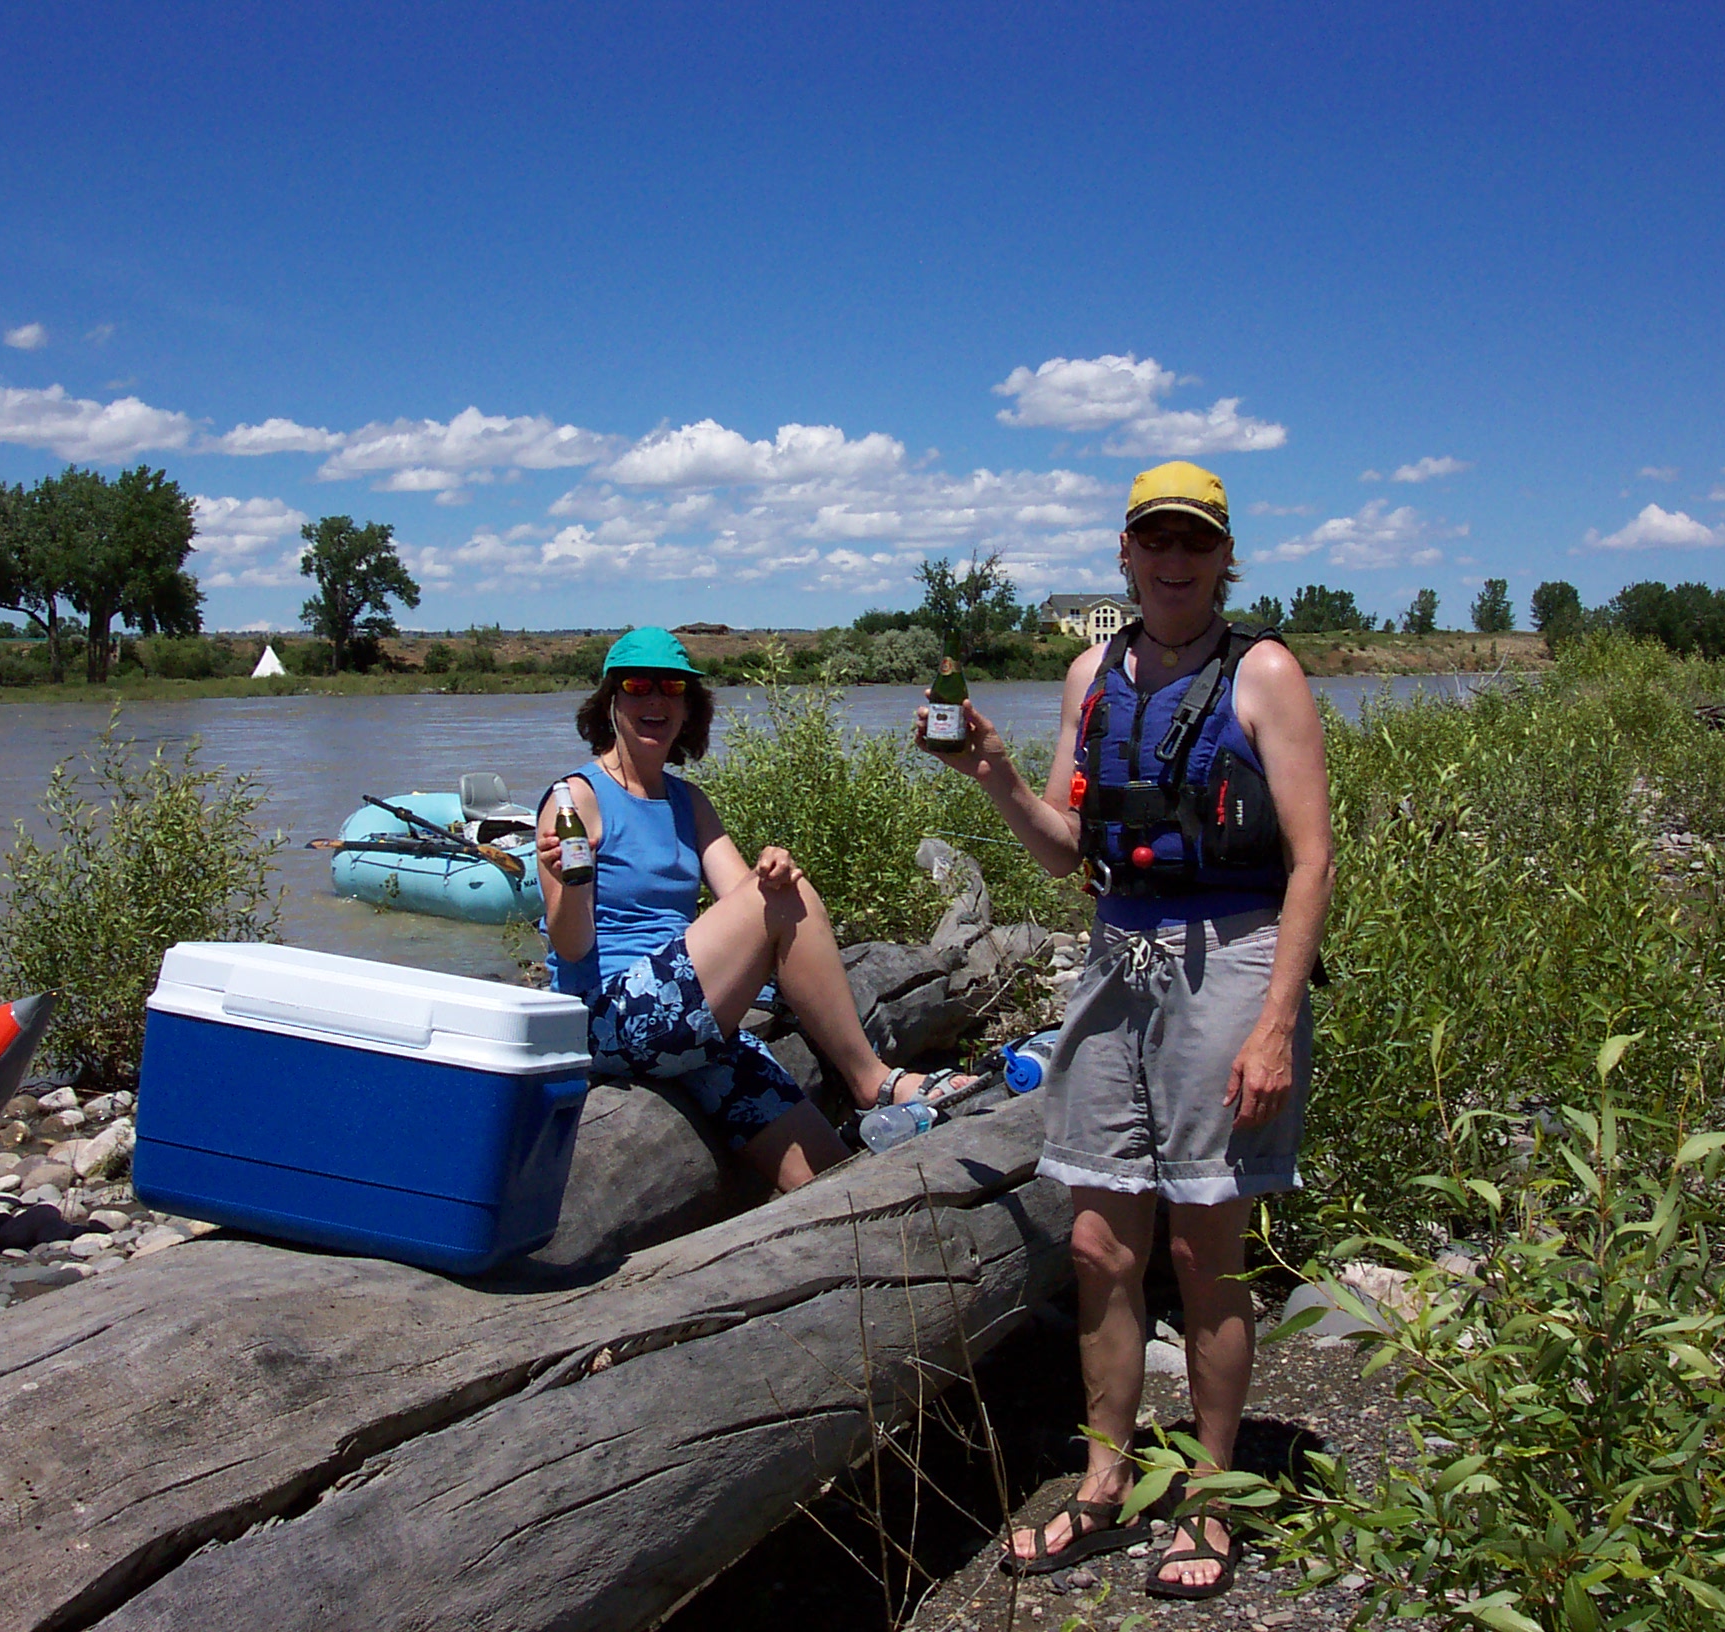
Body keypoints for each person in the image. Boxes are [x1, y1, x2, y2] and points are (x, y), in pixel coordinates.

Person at [925, 462, 1333, 1600]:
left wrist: (1273, 1027)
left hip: (1231, 964)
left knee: (1206, 1253)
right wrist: (996, 775)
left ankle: (1209, 1504)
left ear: (1224, 556)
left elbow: (1313, 862)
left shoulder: (1266, 675)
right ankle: (1102, 1484)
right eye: (1155, 539)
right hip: (1116, 961)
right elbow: (1067, 854)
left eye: (1194, 543)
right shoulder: (1091, 675)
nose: (1173, 560)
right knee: (1103, 1246)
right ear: (1124, 551)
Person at [535, 627, 967, 1192]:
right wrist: (571, 883)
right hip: (606, 1017)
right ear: (610, 702)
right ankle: (873, 1082)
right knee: (783, 894)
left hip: (688, 1023)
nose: (655, 702)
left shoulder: (688, 802)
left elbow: (748, 898)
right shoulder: (576, 799)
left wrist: (775, 868)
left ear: (690, 708)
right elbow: (569, 948)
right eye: (638, 687)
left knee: (835, 1184)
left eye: (672, 689)